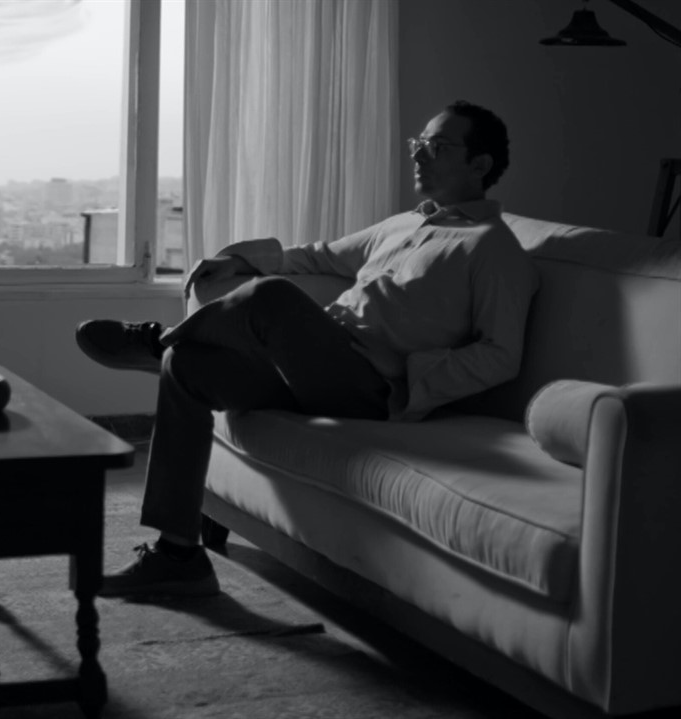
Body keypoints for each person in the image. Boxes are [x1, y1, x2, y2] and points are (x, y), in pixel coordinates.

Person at [77, 100, 538, 598]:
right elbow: (320, 256)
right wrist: (237, 262)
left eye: (438, 146)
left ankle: (158, 338)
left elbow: (500, 355)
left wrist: (412, 376)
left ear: (479, 164)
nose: (419, 154)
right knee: (186, 366)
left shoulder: (493, 249)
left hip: (370, 386)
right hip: (317, 365)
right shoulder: (405, 225)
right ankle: (178, 556)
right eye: (419, 143)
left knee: (271, 297)